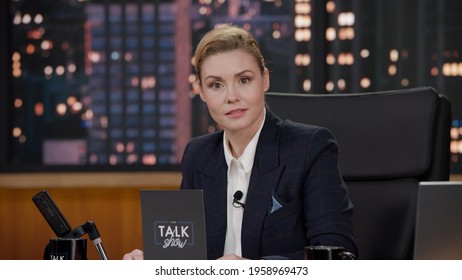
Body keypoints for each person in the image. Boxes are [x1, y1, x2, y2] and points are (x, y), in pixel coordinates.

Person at [124, 24, 357, 260]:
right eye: (216, 85)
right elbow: (186, 255)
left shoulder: (310, 148)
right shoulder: (198, 155)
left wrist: (251, 270)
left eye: (244, 80)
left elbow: (337, 255)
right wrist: (155, 261)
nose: (231, 97)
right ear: (202, 93)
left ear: (264, 80)